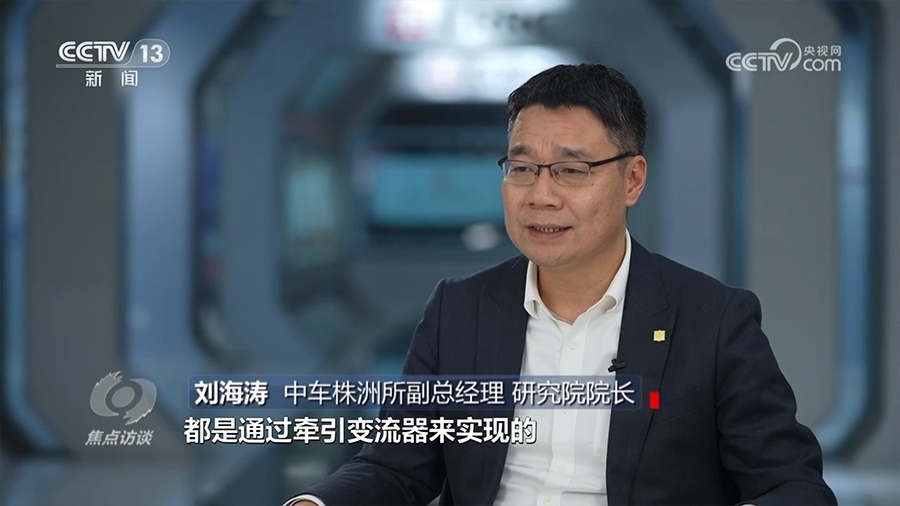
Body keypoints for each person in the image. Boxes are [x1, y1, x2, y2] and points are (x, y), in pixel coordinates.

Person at [284, 63, 837, 506]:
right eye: (522, 168)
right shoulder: (459, 309)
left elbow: (792, 485)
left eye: (571, 170)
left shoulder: (713, 320)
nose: (540, 195)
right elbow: (394, 465)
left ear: (632, 179)